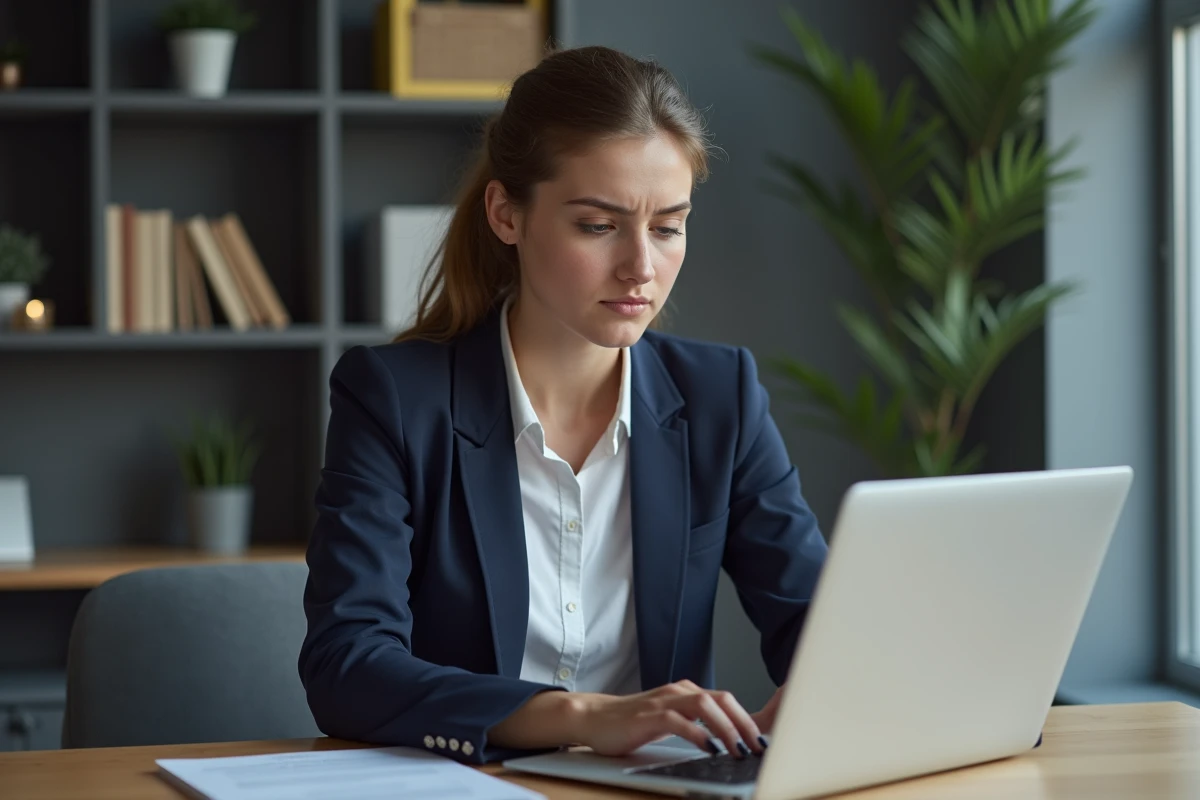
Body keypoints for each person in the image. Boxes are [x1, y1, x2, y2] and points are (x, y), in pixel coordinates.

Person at [298, 44, 828, 767]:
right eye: (598, 225)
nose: (641, 265)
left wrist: (822, 685)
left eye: (668, 226)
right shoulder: (394, 399)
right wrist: (581, 717)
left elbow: (816, 619)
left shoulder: (719, 396)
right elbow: (346, 665)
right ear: (507, 214)